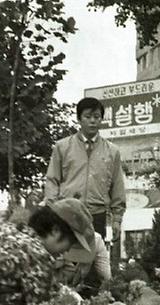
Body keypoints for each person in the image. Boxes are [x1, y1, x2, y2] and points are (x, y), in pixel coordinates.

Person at [44, 97, 126, 257]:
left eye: (96, 117)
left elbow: (117, 186)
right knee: (66, 261)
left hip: (97, 215)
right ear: (79, 119)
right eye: (88, 117)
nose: (92, 121)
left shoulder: (112, 151)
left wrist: (117, 219)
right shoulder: (62, 147)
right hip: (67, 213)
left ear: (101, 119)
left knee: (92, 262)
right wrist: (53, 209)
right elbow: (52, 179)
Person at [54, 228, 111, 299]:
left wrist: (103, 298)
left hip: (74, 295)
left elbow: (106, 277)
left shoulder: (96, 240)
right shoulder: (53, 241)